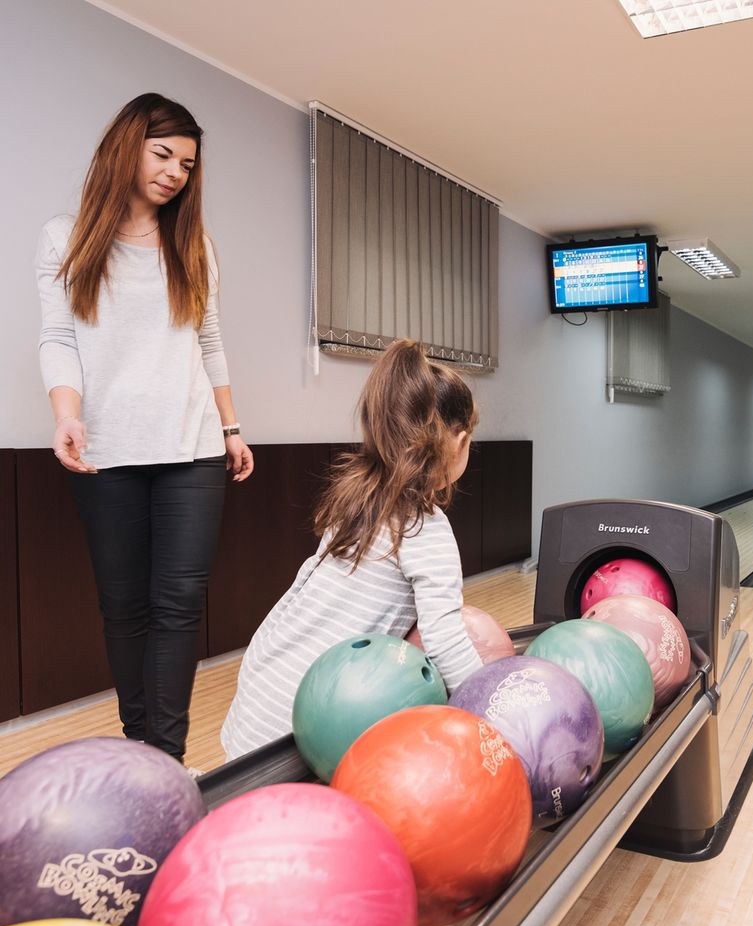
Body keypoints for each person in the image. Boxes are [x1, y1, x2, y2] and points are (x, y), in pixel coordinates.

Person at [37, 93, 254, 767]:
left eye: (186, 164)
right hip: (107, 447)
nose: (174, 173)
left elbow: (209, 341)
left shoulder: (195, 246)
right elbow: (57, 338)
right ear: (125, 148)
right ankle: (140, 753)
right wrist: (66, 415)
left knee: (180, 605)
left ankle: (167, 758)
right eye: (162, 155)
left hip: (191, 447)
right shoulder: (64, 238)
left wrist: (232, 427)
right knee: (124, 607)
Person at [220, 339, 484, 760]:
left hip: (257, 702)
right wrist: (492, 710)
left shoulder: (356, 498)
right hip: (302, 731)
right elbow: (445, 641)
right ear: (458, 441)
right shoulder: (426, 529)